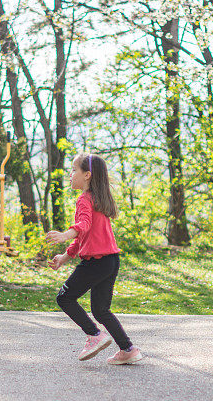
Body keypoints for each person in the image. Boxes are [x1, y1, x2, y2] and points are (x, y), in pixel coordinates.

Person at [46, 153, 143, 365]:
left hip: (96, 262)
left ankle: (94, 335)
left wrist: (64, 235)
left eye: (73, 170)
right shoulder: (99, 199)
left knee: (64, 298)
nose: (70, 175)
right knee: (100, 310)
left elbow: (83, 226)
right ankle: (128, 349)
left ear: (87, 175)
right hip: (110, 262)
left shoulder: (84, 199)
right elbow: (84, 236)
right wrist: (65, 256)